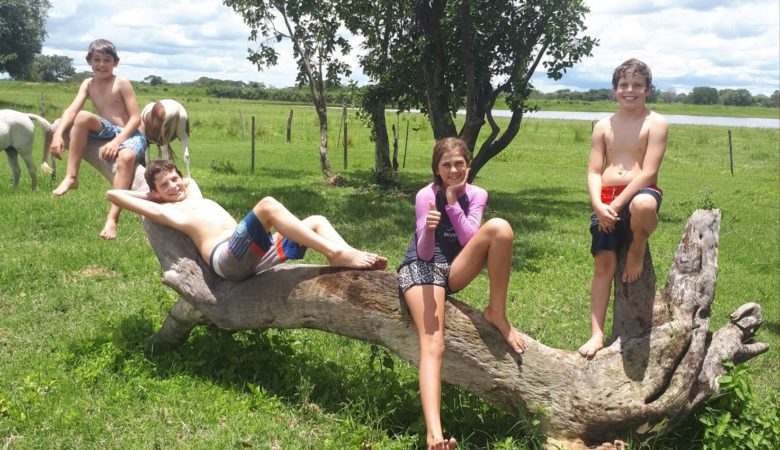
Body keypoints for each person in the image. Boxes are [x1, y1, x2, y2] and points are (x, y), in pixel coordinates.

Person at [397, 137, 526, 450]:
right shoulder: (425, 195)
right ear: (437, 169)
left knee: (501, 228)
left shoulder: (476, 194)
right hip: (422, 267)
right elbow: (426, 254)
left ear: (468, 165)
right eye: (446, 165)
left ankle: (496, 311)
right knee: (434, 344)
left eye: (459, 164)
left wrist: (453, 203)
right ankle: (434, 437)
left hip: (453, 269)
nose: (454, 170)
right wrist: (428, 228)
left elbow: (470, 239)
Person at [106, 160, 387, 281]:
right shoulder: (166, 211)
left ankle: (346, 256)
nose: (174, 186)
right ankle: (334, 252)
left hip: (253, 253)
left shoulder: (192, 192)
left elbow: (188, 179)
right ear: (155, 192)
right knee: (267, 205)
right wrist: (152, 197)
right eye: (164, 185)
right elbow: (113, 193)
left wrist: (173, 182)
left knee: (316, 220)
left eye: (175, 179)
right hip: (228, 259)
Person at [578, 58, 669, 358]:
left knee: (643, 204)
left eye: (637, 85)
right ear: (615, 90)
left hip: (639, 194)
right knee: (603, 265)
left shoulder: (656, 123)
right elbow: (593, 170)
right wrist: (599, 204)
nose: (630, 90)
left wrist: (616, 204)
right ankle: (596, 333)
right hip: (606, 199)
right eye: (624, 85)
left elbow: (648, 172)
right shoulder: (603, 126)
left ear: (648, 90)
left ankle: (636, 249)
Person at [49, 39, 148, 241]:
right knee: (83, 116)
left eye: (107, 60)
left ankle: (112, 218)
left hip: (130, 133)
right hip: (107, 128)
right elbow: (72, 109)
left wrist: (116, 142)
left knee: (127, 157)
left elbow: (136, 118)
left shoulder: (121, 83)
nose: (101, 65)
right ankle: (71, 177)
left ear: (115, 63)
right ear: (89, 61)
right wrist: (58, 134)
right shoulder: (88, 83)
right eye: (96, 60)